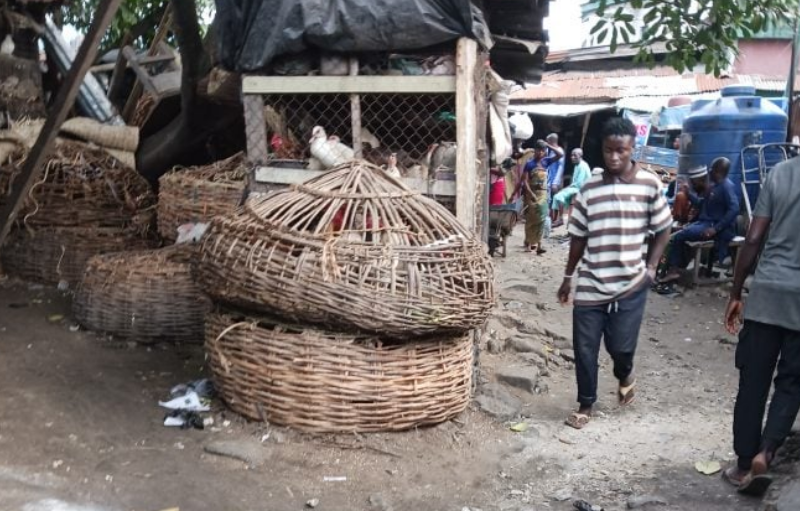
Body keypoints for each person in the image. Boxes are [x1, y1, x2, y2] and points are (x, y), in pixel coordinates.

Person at [557, 117, 672, 430]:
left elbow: (663, 227)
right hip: (592, 284)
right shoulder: (590, 188)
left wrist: (651, 267)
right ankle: (586, 402)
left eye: (621, 150)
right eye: (609, 150)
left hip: (631, 284)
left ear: (632, 148)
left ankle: (625, 373)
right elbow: (578, 236)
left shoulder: (649, 184)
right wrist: (568, 277)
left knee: (620, 347)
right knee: (584, 348)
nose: (614, 157)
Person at [722, 156, 800, 496]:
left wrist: (736, 291)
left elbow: (753, 238)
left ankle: (742, 463)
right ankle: (765, 453)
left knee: (753, 380)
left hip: (768, 292)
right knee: (792, 383)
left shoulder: (781, 174)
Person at [660, 158, 739, 284]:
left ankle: (674, 270)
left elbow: (734, 209)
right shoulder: (714, 186)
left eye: (711, 169)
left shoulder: (726, 187)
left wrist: (715, 229)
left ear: (717, 171)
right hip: (704, 223)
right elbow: (701, 204)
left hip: (713, 226)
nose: (709, 172)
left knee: (679, 237)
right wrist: (689, 193)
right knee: (676, 234)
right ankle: (674, 268)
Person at [515, 140, 560, 254]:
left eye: (543, 150)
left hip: (543, 195)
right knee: (531, 220)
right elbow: (524, 181)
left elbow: (560, 154)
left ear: (545, 151)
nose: (540, 153)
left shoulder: (546, 162)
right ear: (534, 150)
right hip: (532, 195)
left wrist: (548, 145)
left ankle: (539, 245)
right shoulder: (530, 164)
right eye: (538, 150)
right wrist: (531, 194)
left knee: (541, 219)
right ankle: (529, 244)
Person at [551, 148, 591, 227]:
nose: (572, 157)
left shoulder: (582, 166)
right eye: (572, 155)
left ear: (580, 156)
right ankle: (555, 220)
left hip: (581, 189)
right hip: (575, 188)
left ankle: (561, 219)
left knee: (559, 196)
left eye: (575, 156)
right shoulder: (577, 165)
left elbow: (578, 183)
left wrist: (566, 188)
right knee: (556, 197)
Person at [546, 133, 565, 220]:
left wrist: (555, 182)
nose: (546, 143)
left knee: (556, 200)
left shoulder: (560, 151)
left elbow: (560, 168)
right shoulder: (551, 152)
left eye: (548, 141)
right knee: (550, 201)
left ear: (551, 141)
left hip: (555, 181)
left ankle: (557, 219)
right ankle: (551, 219)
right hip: (550, 180)